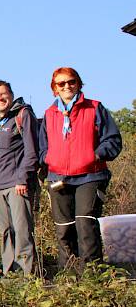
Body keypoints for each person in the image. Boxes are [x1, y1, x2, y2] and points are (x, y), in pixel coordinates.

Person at [38, 67, 122, 269]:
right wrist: (48, 159)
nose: (67, 86)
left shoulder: (94, 107)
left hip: (90, 176)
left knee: (85, 224)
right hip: (59, 177)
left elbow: (112, 139)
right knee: (64, 228)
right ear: (54, 89)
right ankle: (68, 275)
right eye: (61, 83)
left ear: (78, 83)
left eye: (71, 82)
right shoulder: (49, 114)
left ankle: (91, 276)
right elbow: (43, 146)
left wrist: (95, 155)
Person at [0, 80, 40, 275]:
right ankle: (9, 273)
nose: (0, 98)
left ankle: (27, 275)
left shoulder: (23, 115)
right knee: (5, 232)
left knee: (22, 231)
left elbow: (32, 151)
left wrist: (23, 179)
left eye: (3, 94)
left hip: (17, 184)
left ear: (11, 95)